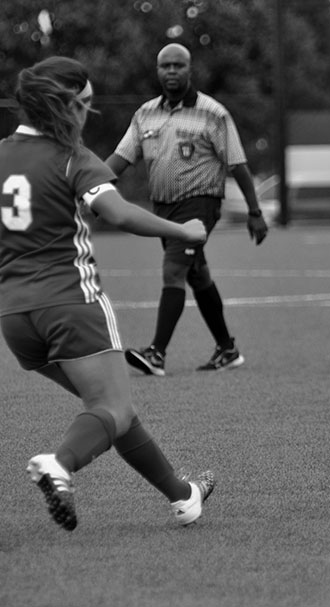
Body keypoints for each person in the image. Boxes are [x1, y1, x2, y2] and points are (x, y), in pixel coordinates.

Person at [0, 56, 215, 531]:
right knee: (110, 409)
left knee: (111, 411)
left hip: (15, 318)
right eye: (85, 104)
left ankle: (183, 497)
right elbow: (116, 213)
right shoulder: (70, 156)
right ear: (66, 105)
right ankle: (60, 465)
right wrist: (184, 231)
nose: (87, 114)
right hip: (70, 304)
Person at [106, 43, 268, 377]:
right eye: (165, 66)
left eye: (178, 65)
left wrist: (255, 211)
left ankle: (156, 353)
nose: (172, 71)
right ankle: (227, 349)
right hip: (163, 209)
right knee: (197, 274)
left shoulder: (213, 113)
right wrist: (92, 188)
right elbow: (120, 160)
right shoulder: (145, 114)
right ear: (157, 70)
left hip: (200, 205)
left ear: (189, 70)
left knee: (174, 271)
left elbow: (237, 165)